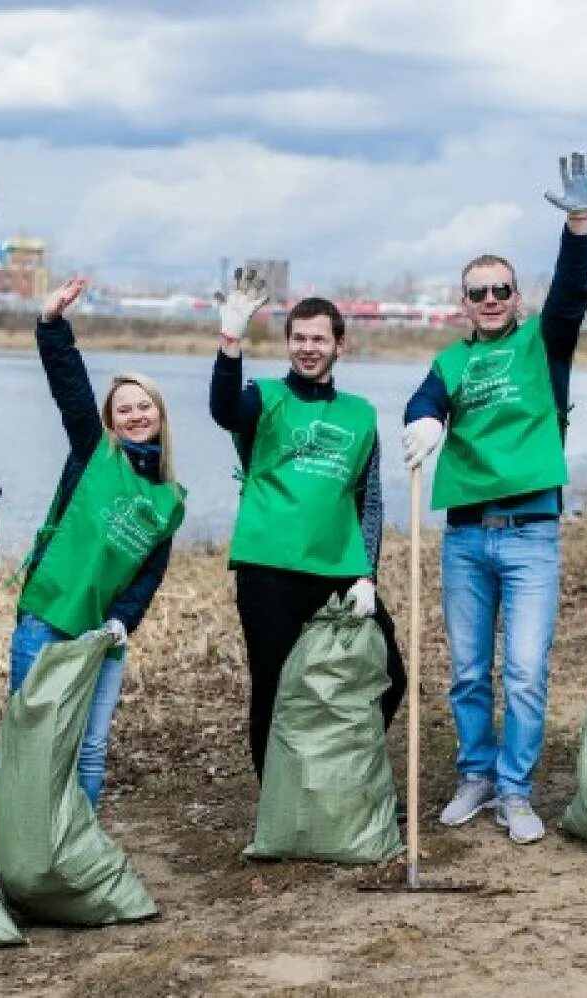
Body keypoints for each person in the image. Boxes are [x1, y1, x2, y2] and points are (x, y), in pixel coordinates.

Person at [401, 152, 587, 844]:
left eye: (500, 289)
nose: (489, 300)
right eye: (477, 292)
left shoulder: (544, 345)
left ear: (516, 296)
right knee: (466, 671)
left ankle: (516, 790)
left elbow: (571, 295)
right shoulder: (451, 362)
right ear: (464, 302)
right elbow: (423, 402)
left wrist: (578, 226)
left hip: (532, 534)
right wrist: (422, 418)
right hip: (467, 537)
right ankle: (476, 775)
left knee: (522, 670)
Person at [0, 277, 186, 885]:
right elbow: (70, 389)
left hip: (104, 636)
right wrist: (52, 326)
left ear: (159, 414)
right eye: (125, 409)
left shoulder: (168, 498)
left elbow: (149, 573)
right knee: (26, 741)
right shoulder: (93, 452)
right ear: (111, 421)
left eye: (145, 406)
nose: (137, 414)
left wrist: (123, 621)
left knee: (89, 750)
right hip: (49, 618)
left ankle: (74, 852)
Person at [209, 277, 407, 784]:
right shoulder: (264, 397)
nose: (308, 348)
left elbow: (370, 499)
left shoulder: (360, 414)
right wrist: (230, 343)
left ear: (339, 345)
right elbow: (224, 410)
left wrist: (368, 574)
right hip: (268, 566)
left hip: (338, 568)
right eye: (299, 338)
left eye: (319, 339)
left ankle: (335, 776)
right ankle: (276, 801)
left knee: (388, 676)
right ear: (288, 343)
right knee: (272, 688)